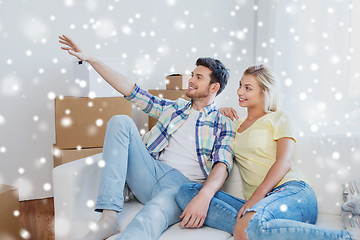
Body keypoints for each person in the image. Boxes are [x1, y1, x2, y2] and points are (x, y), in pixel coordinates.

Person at [59, 35, 235, 240]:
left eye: (199, 77)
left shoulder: (222, 122)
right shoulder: (175, 108)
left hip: (182, 187)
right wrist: (92, 59)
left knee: (149, 217)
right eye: (193, 75)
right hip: (150, 172)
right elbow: (133, 91)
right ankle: (108, 218)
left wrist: (204, 196)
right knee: (120, 121)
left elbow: (222, 164)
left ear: (214, 88)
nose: (191, 80)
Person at [176, 64, 354, 240]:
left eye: (248, 88)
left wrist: (256, 198)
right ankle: (253, 225)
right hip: (259, 205)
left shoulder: (278, 118)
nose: (239, 92)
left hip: (291, 192)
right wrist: (216, 112)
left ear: (264, 92)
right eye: (240, 85)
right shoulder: (233, 125)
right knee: (187, 192)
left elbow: (284, 162)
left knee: (247, 226)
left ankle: (344, 238)